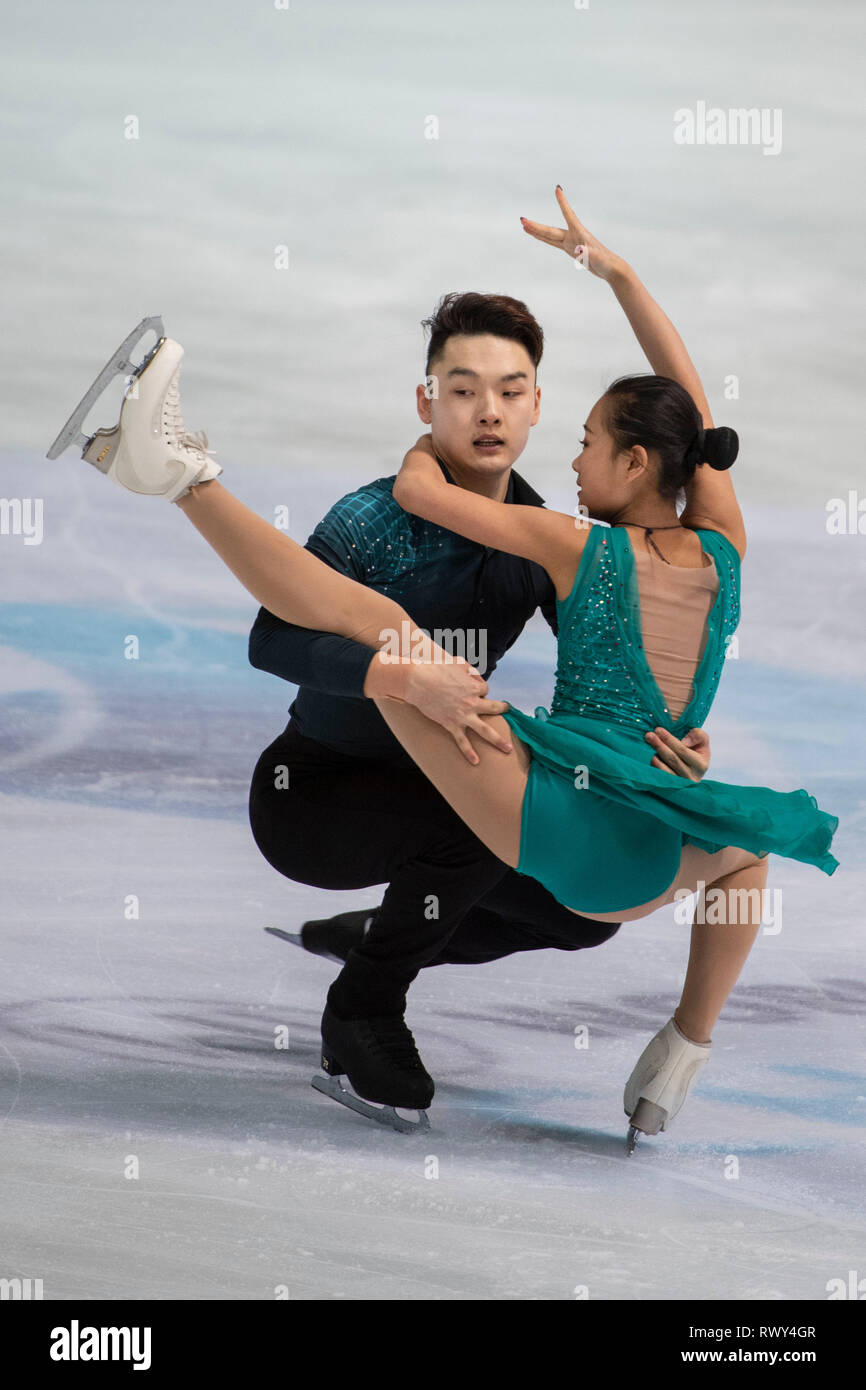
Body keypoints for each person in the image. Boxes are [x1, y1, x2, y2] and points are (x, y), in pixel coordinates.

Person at [50, 189, 838, 1140]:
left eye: (511, 392)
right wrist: (392, 679)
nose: (490, 410)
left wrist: (674, 738)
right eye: (463, 390)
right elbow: (273, 639)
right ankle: (367, 1006)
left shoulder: (550, 535)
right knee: (413, 668)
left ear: (540, 406)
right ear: (428, 402)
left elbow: (625, 636)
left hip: (464, 774)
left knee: (574, 909)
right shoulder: (373, 515)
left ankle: (386, 936)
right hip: (321, 797)